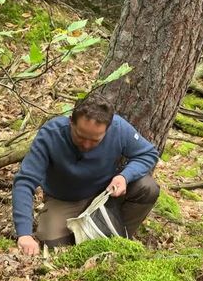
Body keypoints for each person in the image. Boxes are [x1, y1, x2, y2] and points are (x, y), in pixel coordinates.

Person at [12, 93, 160, 256]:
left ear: (108, 129)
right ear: (70, 122)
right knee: (53, 245)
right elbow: (25, 181)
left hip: (105, 194)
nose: (87, 145)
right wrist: (24, 234)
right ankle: (87, 239)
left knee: (148, 188)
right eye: (81, 137)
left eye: (95, 140)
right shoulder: (51, 134)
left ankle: (117, 242)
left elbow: (148, 154)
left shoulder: (119, 128)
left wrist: (124, 176)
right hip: (64, 200)